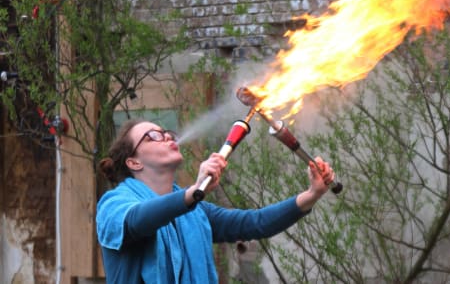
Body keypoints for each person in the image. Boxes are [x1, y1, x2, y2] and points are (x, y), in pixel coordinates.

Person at [96, 119, 335, 284]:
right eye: (154, 136)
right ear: (133, 162)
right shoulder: (113, 204)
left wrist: (311, 194)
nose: (167, 137)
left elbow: (254, 223)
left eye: (167, 132)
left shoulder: (195, 213)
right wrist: (192, 193)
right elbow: (137, 221)